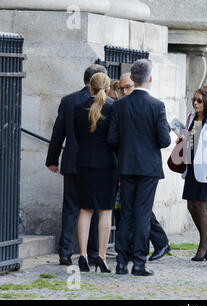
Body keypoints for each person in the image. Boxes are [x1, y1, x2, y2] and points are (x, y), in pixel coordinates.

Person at [107, 59, 171, 276]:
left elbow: (112, 138)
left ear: (132, 79)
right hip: (148, 168)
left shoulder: (119, 105)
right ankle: (140, 263)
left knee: (125, 215)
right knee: (142, 215)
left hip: (125, 166)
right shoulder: (157, 106)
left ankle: (121, 262)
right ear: (150, 78)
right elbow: (164, 140)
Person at [45, 64, 106, 266]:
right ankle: (92, 251)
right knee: (94, 207)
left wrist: (52, 159)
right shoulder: (108, 103)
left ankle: (65, 252)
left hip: (72, 161)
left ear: (84, 79)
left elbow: (58, 132)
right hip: (96, 163)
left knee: (71, 207)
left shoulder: (69, 100)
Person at [73, 73, 116, 273]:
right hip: (107, 164)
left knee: (85, 210)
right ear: (107, 89)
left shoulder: (77, 108)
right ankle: (101, 256)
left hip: (84, 162)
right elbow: (114, 138)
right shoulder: (112, 107)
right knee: (105, 211)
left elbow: (76, 137)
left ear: (90, 87)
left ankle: (83, 255)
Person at [181, 87, 207, 261]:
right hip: (191, 167)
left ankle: (203, 245)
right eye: (194, 100)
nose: (195, 103)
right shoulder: (192, 118)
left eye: (199, 101)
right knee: (191, 206)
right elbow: (191, 141)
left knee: (200, 206)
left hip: (205, 169)